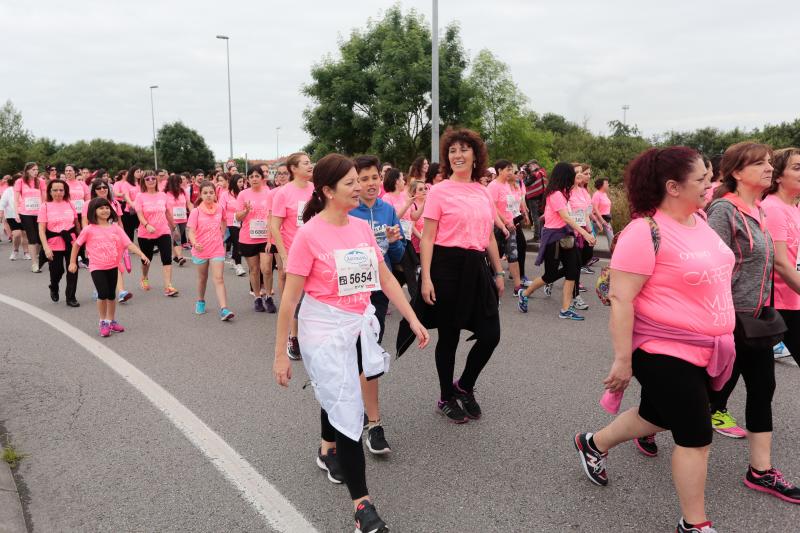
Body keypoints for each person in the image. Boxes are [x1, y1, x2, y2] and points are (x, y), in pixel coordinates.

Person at [573, 146, 736, 533]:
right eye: (701, 179)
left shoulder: (699, 220)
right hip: (661, 347)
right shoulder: (644, 232)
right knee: (695, 435)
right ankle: (694, 524)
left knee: (656, 416)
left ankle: (592, 443)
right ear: (672, 187)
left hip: (709, 346)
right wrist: (622, 360)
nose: (709, 185)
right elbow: (621, 300)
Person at [273, 153, 429, 533]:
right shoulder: (309, 234)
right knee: (348, 404)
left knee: (339, 392)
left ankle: (327, 449)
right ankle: (363, 508)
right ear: (327, 191)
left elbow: (386, 278)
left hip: (359, 324)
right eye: (350, 183)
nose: (359, 188)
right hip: (323, 329)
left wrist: (412, 317)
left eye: (359, 181)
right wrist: (280, 354)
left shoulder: (360, 228)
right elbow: (290, 300)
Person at [706, 141, 800, 504]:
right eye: (758, 164)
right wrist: (717, 318)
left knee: (763, 388)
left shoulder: (758, 209)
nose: (768, 169)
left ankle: (760, 472)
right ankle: (609, 438)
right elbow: (709, 268)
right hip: (727, 320)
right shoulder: (723, 211)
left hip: (756, 319)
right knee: (701, 395)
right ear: (735, 172)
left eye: (768, 163)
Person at [414, 128, 504, 423]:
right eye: (453, 151)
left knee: (491, 334)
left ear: (476, 156)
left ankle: (464, 385)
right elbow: (427, 237)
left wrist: (499, 272)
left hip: (477, 266)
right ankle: (445, 396)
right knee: (449, 336)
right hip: (446, 267)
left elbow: (488, 235)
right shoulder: (439, 190)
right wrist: (426, 277)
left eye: (464, 149)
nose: (458, 155)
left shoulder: (482, 191)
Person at [350, 155, 406, 454]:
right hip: (349, 297)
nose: (370, 184)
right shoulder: (347, 212)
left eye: (374, 178)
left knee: (370, 355)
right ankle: (355, 415)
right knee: (353, 358)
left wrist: (396, 241)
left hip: (378, 293)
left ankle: (373, 423)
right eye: (363, 178)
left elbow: (397, 257)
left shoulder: (388, 210)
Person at [518, 163, 596, 320]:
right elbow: (566, 217)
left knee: (573, 270)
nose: (577, 177)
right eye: (574, 174)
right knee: (550, 275)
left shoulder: (565, 192)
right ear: (565, 176)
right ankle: (524, 293)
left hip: (566, 236)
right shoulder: (555, 194)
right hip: (554, 238)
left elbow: (577, 205)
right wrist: (585, 234)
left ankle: (565, 309)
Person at [69, 198, 149, 337]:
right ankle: (103, 322)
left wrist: (141, 254)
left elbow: (128, 244)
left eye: (107, 207)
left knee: (111, 295)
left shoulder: (115, 228)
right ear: (94, 211)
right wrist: (72, 262)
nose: (105, 210)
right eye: (101, 208)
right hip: (97, 267)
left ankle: (111, 320)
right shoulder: (89, 229)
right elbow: (76, 245)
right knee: (103, 293)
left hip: (113, 265)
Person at [270, 152, 314, 359]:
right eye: (305, 163)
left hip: (316, 250)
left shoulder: (316, 190)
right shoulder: (283, 193)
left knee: (314, 295)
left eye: (310, 162)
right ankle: (293, 337)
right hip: (293, 252)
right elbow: (275, 226)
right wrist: (285, 256)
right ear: (293, 169)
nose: (310, 165)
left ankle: (312, 334)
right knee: (295, 297)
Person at [762, 147, 800, 366]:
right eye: (796, 168)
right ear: (777, 176)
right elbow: (780, 262)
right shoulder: (773, 208)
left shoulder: (794, 207)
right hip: (781, 301)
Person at [187, 181, 234, 321]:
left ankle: (224, 309)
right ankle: (200, 301)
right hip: (201, 249)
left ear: (215, 194)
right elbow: (191, 231)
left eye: (211, 192)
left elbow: (225, 221)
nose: (208, 195)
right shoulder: (196, 211)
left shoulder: (220, 208)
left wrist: (222, 233)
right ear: (201, 195)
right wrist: (195, 243)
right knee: (203, 278)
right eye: (205, 193)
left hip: (217, 248)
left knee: (219, 278)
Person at [134, 172, 178, 296]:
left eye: (153, 178)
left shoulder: (163, 195)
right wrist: (147, 225)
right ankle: (144, 277)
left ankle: (168, 286)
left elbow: (168, 212)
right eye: (148, 179)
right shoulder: (140, 196)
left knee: (166, 258)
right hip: (145, 233)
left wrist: (174, 227)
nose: (151, 180)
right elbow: (140, 215)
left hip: (163, 231)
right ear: (144, 182)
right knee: (147, 259)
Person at [38, 179, 80, 307]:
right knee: (57, 271)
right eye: (55, 190)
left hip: (71, 242)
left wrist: (82, 242)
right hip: (53, 243)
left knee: (73, 269)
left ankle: (71, 297)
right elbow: (41, 230)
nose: (58, 192)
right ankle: (54, 286)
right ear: (50, 192)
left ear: (65, 191)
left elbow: (77, 225)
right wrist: (46, 248)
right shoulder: (45, 206)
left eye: (61, 190)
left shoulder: (70, 204)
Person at [235, 167, 272, 312]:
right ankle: (257, 297)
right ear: (248, 179)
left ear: (262, 178)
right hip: (248, 237)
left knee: (267, 269)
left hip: (265, 237)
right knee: (254, 270)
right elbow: (238, 217)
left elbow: (274, 213)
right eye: (251, 176)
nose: (254, 179)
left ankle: (268, 296)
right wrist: (246, 211)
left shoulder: (269, 193)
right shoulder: (243, 194)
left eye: (257, 176)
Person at [487, 160, 523, 294]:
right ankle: (490, 283)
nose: (510, 173)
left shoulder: (507, 185)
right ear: (499, 171)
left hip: (511, 225)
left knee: (513, 254)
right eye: (507, 170)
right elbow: (493, 208)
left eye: (511, 170)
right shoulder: (493, 186)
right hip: (497, 226)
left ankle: (517, 286)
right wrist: (504, 222)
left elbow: (510, 206)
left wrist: (514, 219)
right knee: (494, 255)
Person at [14, 162, 43, 271]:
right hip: (25, 214)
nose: (36, 172)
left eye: (37, 170)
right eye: (33, 170)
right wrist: (16, 213)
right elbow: (16, 199)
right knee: (32, 238)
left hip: (39, 213)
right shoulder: (20, 181)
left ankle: (38, 256)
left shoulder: (41, 182)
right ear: (27, 171)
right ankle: (34, 264)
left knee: (40, 238)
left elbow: (44, 199)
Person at [166, 174, 192, 267]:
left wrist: (193, 212)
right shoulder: (165, 193)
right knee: (177, 237)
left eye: (180, 183)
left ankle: (175, 256)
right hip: (171, 219)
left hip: (183, 218)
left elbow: (189, 203)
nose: (180, 185)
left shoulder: (183, 192)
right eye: (178, 183)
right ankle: (180, 257)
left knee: (177, 237)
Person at [1, 174, 23, 260]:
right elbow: (2, 202)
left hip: (24, 215)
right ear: (14, 181)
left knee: (25, 235)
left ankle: (27, 252)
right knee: (17, 234)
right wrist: (1, 213)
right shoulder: (9, 190)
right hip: (12, 215)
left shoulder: (25, 190)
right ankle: (15, 250)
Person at [524, 160, 547, 242]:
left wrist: (526, 175)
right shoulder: (542, 172)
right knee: (540, 217)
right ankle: (541, 235)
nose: (529, 168)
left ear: (534, 165)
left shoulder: (535, 174)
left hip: (534, 198)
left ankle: (537, 236)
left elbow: (526, 183)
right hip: (541, 197)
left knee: (535, 217)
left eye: (530, 166)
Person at [117, 166, 142, 241]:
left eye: (140, 171)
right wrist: (132, 204)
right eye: (137, 172)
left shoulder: (141, 183)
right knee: (129, 231)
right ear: (132, 173)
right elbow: (126, 196)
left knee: (142, 229)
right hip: (130, 210)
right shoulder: (126, 184)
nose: (139, 173)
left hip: (141, 210)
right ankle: (129, 248)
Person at [592, 178, 614, 247]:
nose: (608, 184)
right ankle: (587, 254)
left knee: (611, 237)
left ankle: (613, 255)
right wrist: (602, 220)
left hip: (606, 220)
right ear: (601, 185)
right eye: (606, 183)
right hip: (598, 219)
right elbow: (595, 208)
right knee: (592, 237)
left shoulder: (604, 194)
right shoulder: (597, 194)